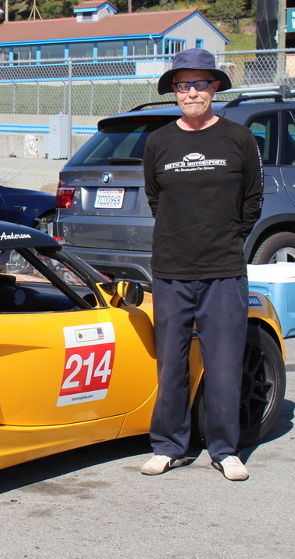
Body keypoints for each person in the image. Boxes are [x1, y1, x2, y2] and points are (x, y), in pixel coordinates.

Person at [140, 48, 263, 481]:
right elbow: (157, 198)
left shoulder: (238, 139)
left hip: (225, 271)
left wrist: (228, 238)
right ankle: (168, 446)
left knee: (225, 364)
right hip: (172, 270)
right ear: (174, 92)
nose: (191, 92)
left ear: (215, 87)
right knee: (170, 364)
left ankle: (224, 449)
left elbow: (253, 200)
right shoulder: (158, 142)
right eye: (182, 85)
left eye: (200, 84)